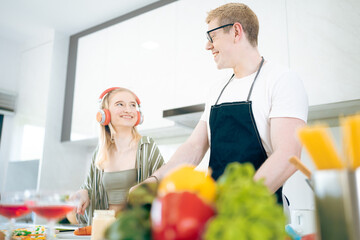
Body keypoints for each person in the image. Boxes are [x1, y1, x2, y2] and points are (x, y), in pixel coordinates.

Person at [136, 3, 308, 204]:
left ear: (236, 31)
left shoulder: (282, 79)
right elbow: (193, 147)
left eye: (212, 36)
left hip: (259, 212)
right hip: (217, 213)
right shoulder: (216, 90)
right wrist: (154, 181)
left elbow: (288, 155)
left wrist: (238, 204)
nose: (207, 46)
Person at [71, 87, 165, 225]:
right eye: (120, 104)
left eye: (133, 105)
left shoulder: (147, 146)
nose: (128, 109)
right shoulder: (100, 152)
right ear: (104, 113)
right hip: (104, 229)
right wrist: (83, 192)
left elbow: (165, 182)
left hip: (135, 229)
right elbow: (89, 187)